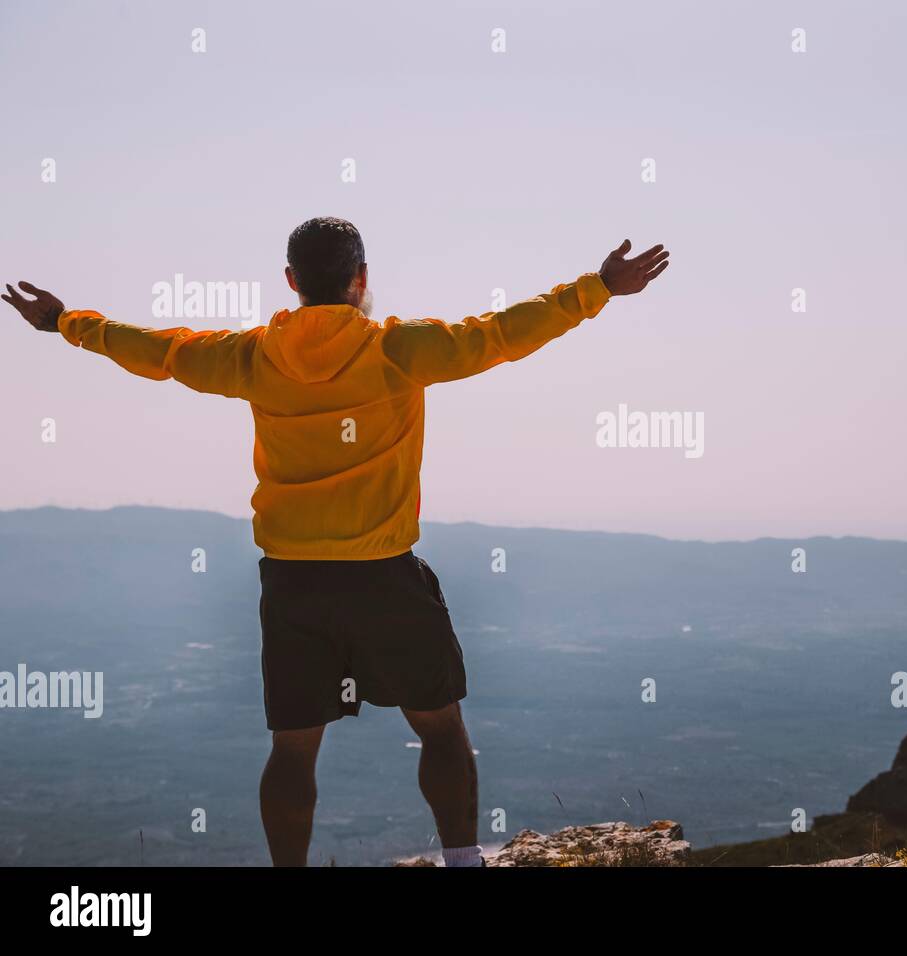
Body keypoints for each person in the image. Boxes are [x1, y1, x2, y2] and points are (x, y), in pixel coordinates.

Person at [3, 218, 670, 866]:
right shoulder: (397, 348)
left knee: (293, 750)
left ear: (291, 280)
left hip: (293, 582)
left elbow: (156, 350)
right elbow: (499, 335)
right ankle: (463, 860)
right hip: (384, 575)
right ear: (362, 277)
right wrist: (598, 288)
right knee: (439, 726)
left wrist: (64, 322)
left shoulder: (252, 356)